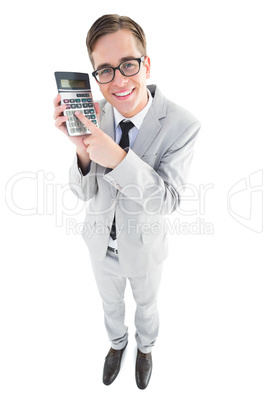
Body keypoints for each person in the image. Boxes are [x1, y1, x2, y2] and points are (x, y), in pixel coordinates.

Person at [53, 14, 200, 389]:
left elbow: (168, 200)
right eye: (104, 70)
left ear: (145, 63)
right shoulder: (95, 114)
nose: (118, 80)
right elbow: (84, 192)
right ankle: (117, 344)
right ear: (95, 75)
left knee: (147, 306)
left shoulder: (183, 125)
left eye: (128, 65)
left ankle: (145, 347)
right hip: (100, 244)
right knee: (111, 305)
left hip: (146, 249)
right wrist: (82, 151)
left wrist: (116, 157)